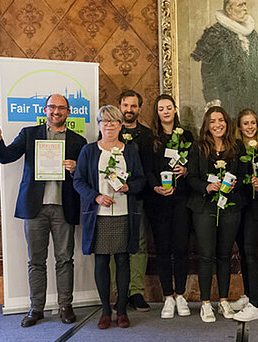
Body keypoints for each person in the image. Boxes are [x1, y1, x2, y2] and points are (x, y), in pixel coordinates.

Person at [0, 94, 87, 327]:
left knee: (65, 259)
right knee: (36, 261)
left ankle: (65, 306)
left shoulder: (78, 141)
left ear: (68, 112)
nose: (56, 111)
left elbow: (85, 176)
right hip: (35, 207)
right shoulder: (29, 133)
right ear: (44, 110)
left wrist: (75, 169)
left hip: (65, 207)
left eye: (61, 108)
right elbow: (7, 156)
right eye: (52, 107)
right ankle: (36, 308)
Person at [73, 105, 145, 329]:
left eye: (114, 121)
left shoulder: (130, 150)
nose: (109, 125)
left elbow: (141, 180)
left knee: (123, 260)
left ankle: (122, 310)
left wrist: (127, 187)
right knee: (102, 260)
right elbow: (79, 181)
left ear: (121, 125)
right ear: (99, 125)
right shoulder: (89, 151)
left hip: (124, 213)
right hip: (99, 215)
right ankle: (105, 311)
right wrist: (95, 197)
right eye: (105, 121)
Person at [187, 106, 246, 322]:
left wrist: (233, 186)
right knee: (206, 256)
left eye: (221, 120)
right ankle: (205, 303)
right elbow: (191, 177)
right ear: (207, 125)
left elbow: (243, 176)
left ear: (227, 123)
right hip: (204, 207)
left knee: (224, 255)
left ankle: (222, 301)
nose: (217, 124)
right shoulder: (198, 147)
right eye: (212, 121)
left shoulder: (236, 147)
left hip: (230, 208)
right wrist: (207, 187)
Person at [142, 94, 194, 319]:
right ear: (157, 112)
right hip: (158, 202)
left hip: (182, 200)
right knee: (162, 249)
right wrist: (155, 187)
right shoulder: (149, 138)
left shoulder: (187, 136)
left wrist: (186, 170)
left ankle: (181, 294)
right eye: (161, 108)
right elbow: (147, 169)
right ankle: (167, 297)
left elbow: (195, 163)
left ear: (175, 110)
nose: (165, 111)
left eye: (169, 107)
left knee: (181, 249)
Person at [191, 0, 258, 127]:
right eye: (240, 5)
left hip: (253, 99)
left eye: (245, 4)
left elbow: (255, 70)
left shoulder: (251, 34)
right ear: (229, 9)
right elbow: (207, 72)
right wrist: (213, 100)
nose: (245, 9)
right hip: (228, 100)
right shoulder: (215, 33)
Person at [231, 109, 258, 322]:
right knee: (242, 253)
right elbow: (235, 176)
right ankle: (248, 296)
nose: (250, 127)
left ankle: (255, 305)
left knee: (251, 251)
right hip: (239, 206)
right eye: (245, 123)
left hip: (257, 208)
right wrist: (245, 181)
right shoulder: (236, 148)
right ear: (239, 127)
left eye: (253, 123)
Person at [115, 89, 152, 312]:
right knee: (113, 245)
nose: (129, 110)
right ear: (120, 106)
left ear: (139, 109)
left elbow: (149, 169)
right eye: (125, 105)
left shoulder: (147, 136)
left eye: (134, 106)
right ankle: (119, 291)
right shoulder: (109, 132)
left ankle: (136, 291)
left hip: (138, 197)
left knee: (138, 245)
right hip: (111, 199)